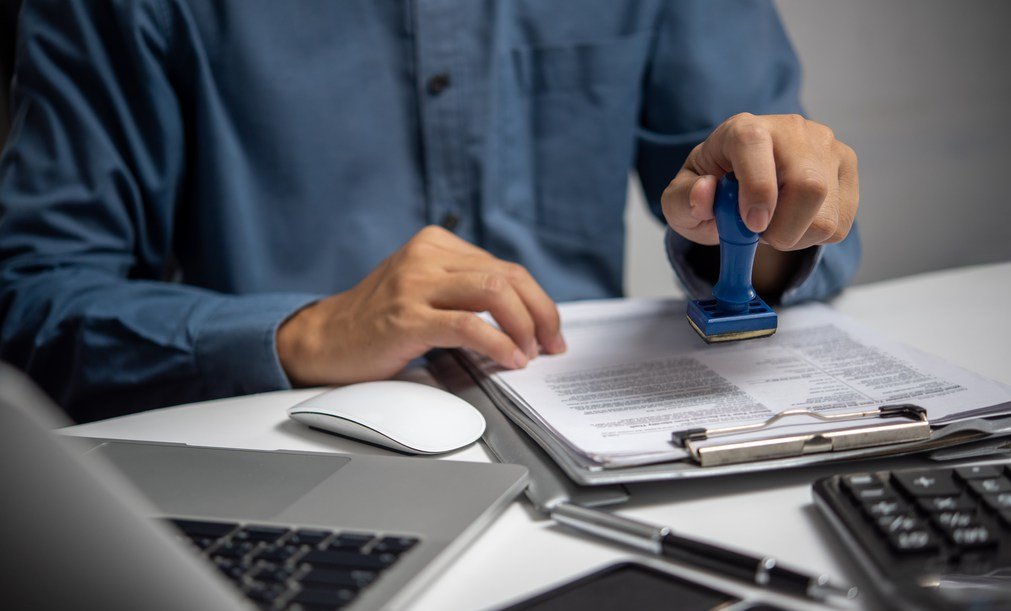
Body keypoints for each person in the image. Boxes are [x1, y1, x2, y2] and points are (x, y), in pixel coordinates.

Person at [0, 0, 860, 422]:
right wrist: (305, 333)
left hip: (609, 435)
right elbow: (30, 294)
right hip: (279, 439)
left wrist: (768, 228)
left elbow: (793, 219)